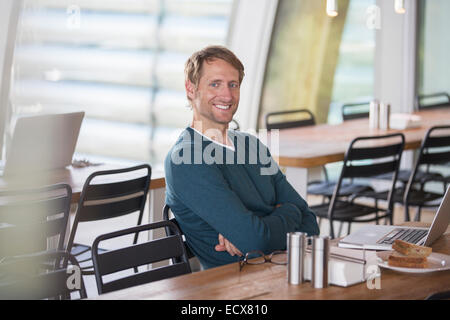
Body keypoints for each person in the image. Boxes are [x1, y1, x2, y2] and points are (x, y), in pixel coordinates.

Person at [164, 45, 319, 269]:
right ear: (191, 89)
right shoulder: (187, 159)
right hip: (234, 284)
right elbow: (256, 240)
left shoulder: (251, 144)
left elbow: (310, 223)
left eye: (233, 85)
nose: (226, 95)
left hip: (283, 270)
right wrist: (288, 214)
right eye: (214, 84)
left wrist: (265, 226)